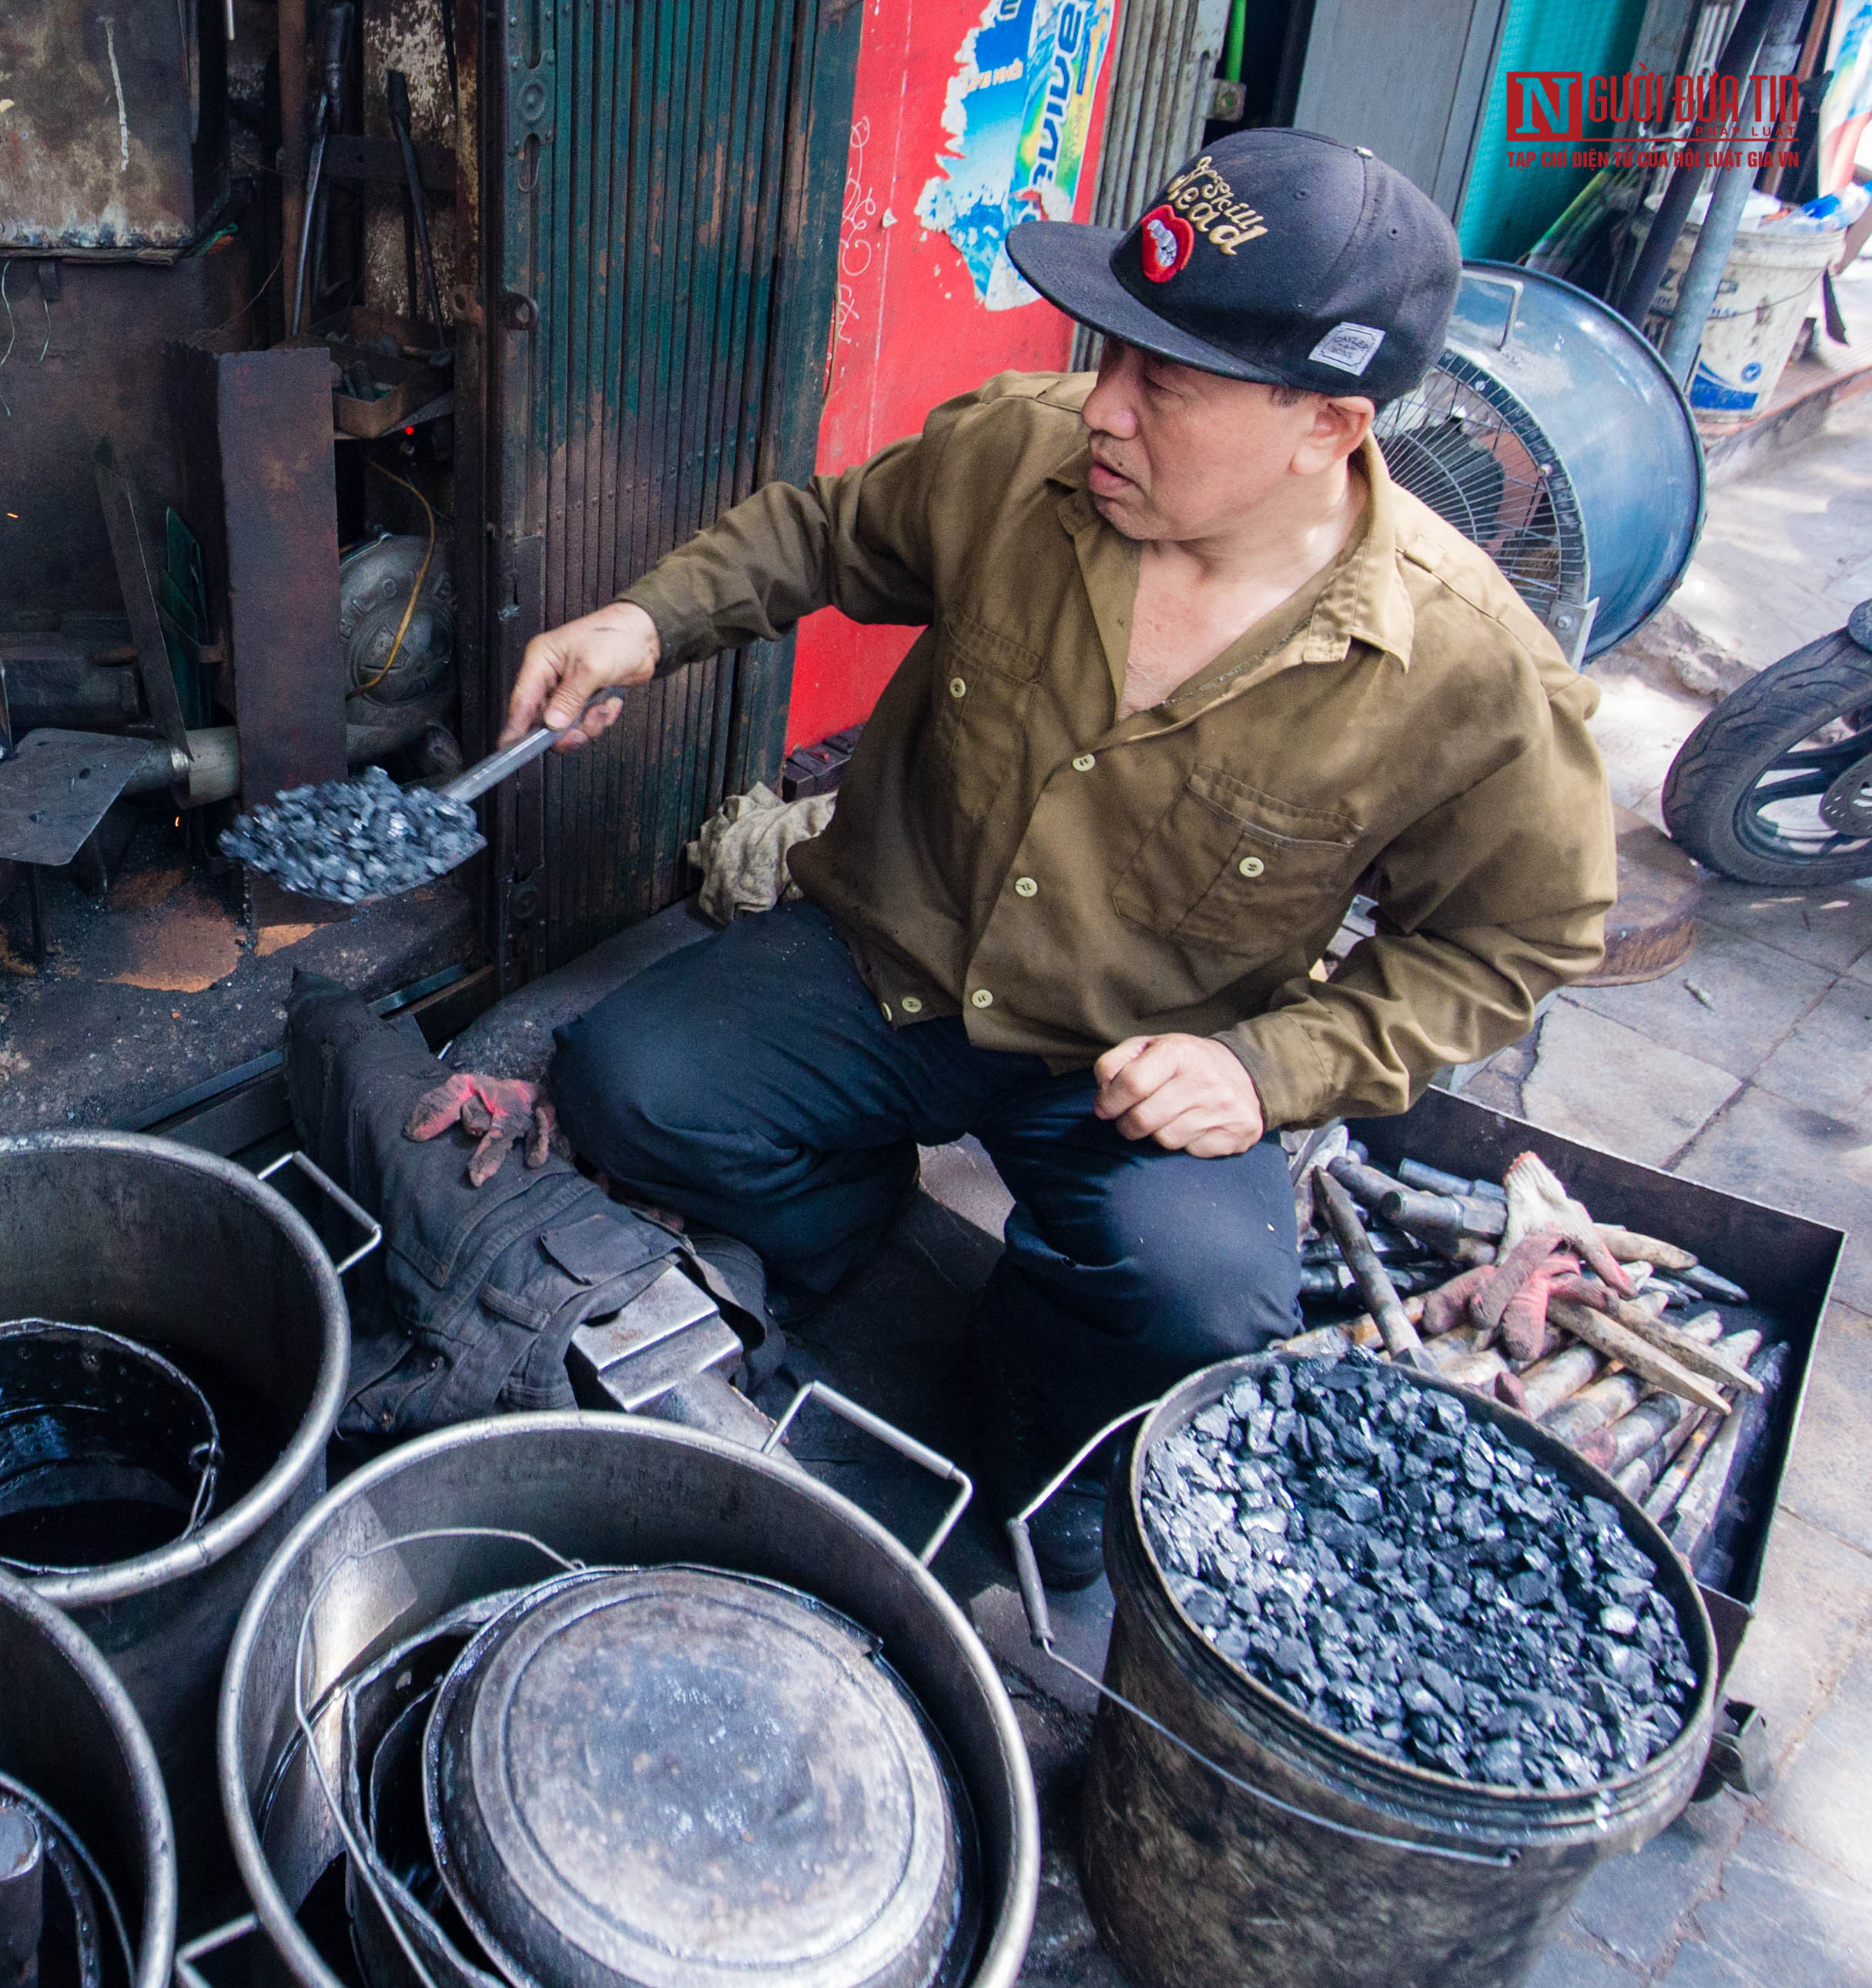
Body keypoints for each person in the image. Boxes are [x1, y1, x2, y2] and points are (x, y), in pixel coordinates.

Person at [507, 130, 1616, 1584]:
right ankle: (857, 1231)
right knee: (624, 1084)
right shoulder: (1024, 456)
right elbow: (822, 535)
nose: (1107, 407)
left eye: (1172, 384)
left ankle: (1028, 1443)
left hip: (1141, 1060)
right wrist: (646, 624)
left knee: (1198, 1298)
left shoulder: (1468, 676)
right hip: (890, 961)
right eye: (1112, 356)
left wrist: (1270, 1073)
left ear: (1328, 429)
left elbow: (1513, 944)